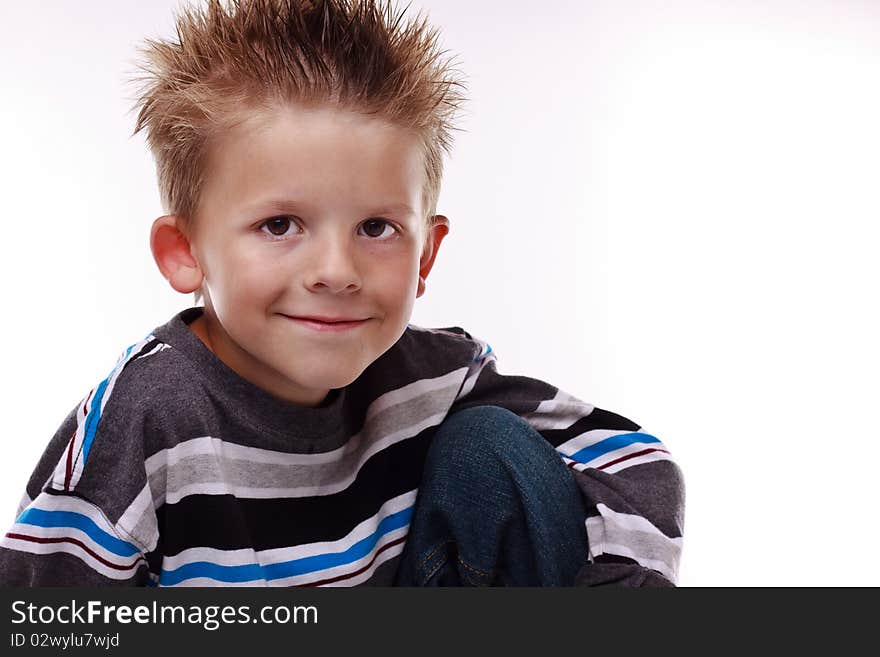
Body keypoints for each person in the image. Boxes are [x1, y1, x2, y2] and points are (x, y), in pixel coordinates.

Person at [0, 0, 684, 587]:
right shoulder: (147, 419)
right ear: (185, 253)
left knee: (491, 448)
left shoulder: (432, 377)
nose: (336, 269)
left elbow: (632, 458)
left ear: (426, 254)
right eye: (279, 224)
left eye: (377, 227)